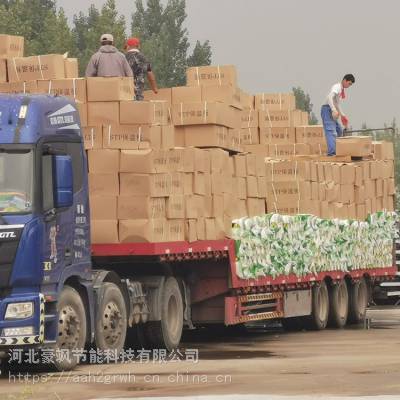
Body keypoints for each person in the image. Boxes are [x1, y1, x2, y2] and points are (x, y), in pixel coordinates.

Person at [321, 74, 355, 156]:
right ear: (344, 80)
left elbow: (337, 104)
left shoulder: (341, 90)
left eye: (350, 85)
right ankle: (332, 153)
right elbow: (329, 97)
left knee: (339, 130)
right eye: (349, 83)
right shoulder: (337, 87)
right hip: (327, 109)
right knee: (331, 131)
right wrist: (333, 110)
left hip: (333, 109)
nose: (349, 86)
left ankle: (340, 150)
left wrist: (343, 116)